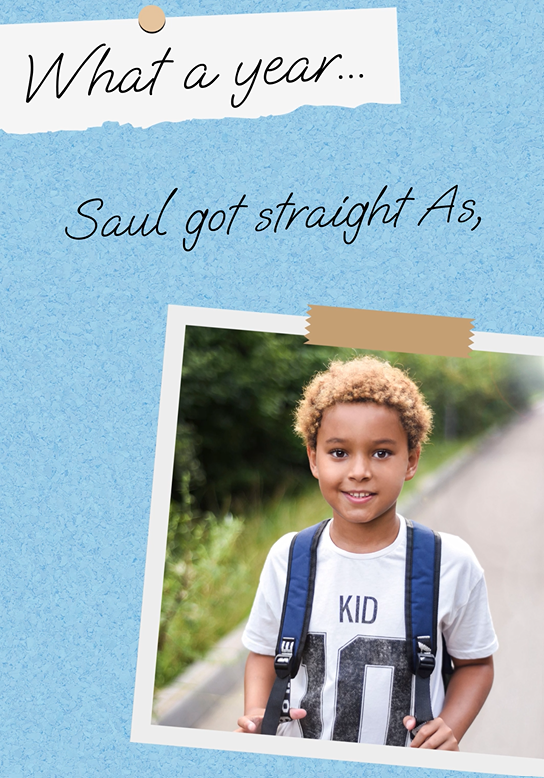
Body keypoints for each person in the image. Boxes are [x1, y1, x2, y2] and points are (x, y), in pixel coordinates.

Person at [237, 356, 497, 750]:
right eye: (339, 452)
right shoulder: (288, 557)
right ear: (313, 458)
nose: (359, 471)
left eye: (381, 453)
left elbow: (476, 663)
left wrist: (450, 727)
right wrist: (258, 713)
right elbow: (262, 652)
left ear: (411, 460)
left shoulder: (450, 563)